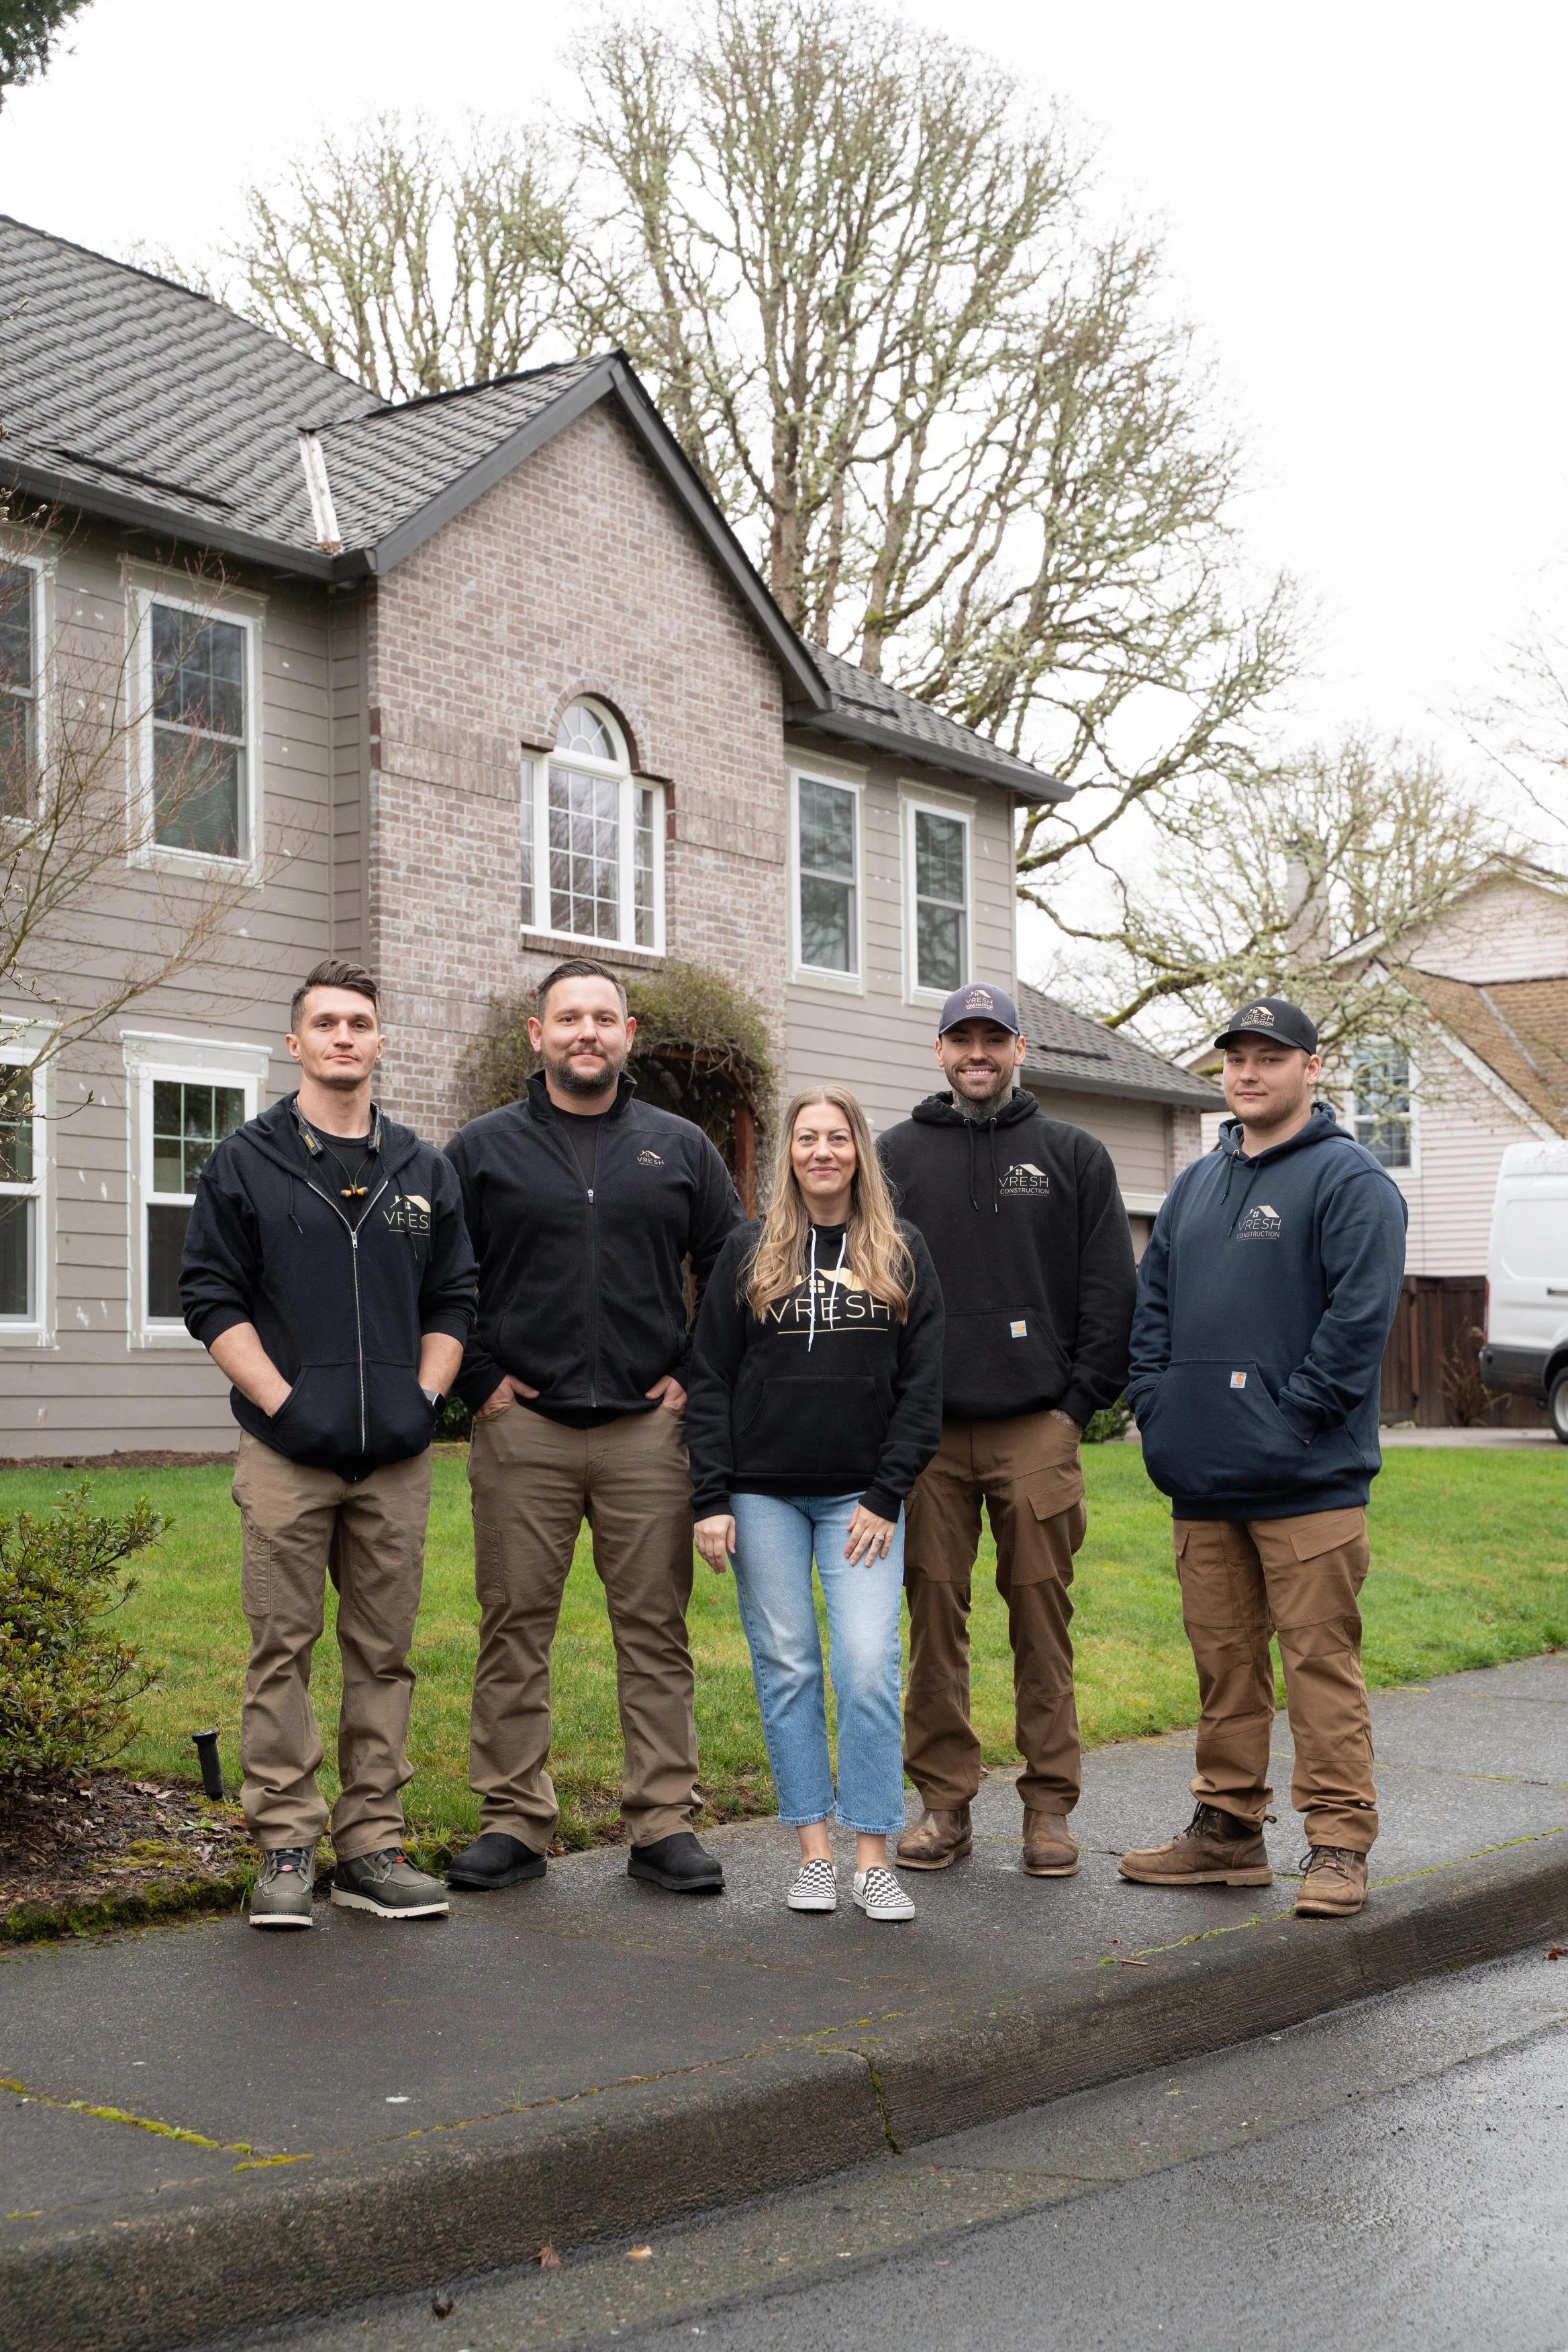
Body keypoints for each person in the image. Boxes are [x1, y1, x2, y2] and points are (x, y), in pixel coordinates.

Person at [181, 959, 477, 1928]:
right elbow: (210, 1296)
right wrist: (284, 1402)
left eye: (360, 1023)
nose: (344, 1037)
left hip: (393, 1459)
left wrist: (423, 1399)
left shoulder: (423, 1172)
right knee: (283, 1648)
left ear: (380, 1042)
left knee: (384, 1655)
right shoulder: (246, 1161)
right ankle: (283, 1846)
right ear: (296, 1043)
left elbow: (454, 1299)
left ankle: (371, 1846)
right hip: (285, 1455)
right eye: (327, 1024)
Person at [442, 959, 744, 1897]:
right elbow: (445, 1280)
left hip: (646, 1436)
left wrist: (695, 1372)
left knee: (654, 1631)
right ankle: (515, 1822)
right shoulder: (481, 1150)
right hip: (521, 1429)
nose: (586, 1033)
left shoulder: (680, 1147)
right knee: (513, 1628)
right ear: (537, 1035)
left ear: (629, 1033)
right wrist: (481, 1379)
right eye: (567, 1017)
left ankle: (662, 1823)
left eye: (602, 1018)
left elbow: (733, 1268)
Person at [1120, 996, 1408, 1920]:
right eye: (1236, 1057)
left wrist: (1292, 1424)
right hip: (1203, 1479)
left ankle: (1338, 1843)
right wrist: (1158, 1408)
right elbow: (1152, 1306)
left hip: (1308, 1482)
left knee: (1321, 1667)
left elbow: (1357, 1323)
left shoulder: (1350, 1182)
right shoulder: (1198, 1185)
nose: (1248, 1073)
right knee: (1225, 1664)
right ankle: (1228, 1835)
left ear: (1311, 1069)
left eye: (1270, 1057)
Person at [879, 981, 1136, 1879]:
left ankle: (1049, 1808)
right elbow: (872, 1290)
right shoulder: (895, 1155)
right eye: (962, 1038)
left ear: (1022, 1049)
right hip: (928, 1437)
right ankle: (943, 1804)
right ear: (940, 1050)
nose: (978, 1053)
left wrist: (1075, 1410)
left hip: (1037, 1426)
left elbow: (1111, 1294)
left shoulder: (1073, 1155)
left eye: (995, 1038)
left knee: (1041, 1617)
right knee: (933, 1624)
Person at [688, 1089, 943, 1920]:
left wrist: (885, 1493)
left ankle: (873, 1854)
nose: (822, 1151)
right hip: (760, 1495)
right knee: (788, 1666)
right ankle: (812, 1853)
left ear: (858, 1151)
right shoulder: (747, 1250)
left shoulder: (900, 1251)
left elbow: (922, 1390)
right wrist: (712, 1497)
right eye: (807, 1138)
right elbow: (710, 1380)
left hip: (859, 1501)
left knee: (868, 1666)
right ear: (788, 1154)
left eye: (837, 1137)